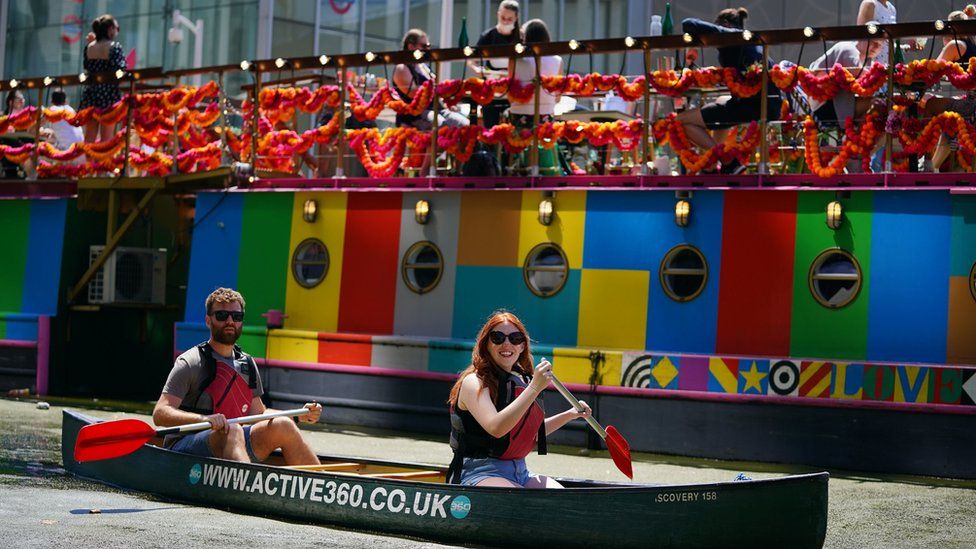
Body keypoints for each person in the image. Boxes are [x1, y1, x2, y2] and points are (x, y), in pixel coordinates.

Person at [153, 288, 323, 465]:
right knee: (233, 429)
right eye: (221, 315)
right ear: (208, 321)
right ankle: (247, 488)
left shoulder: (247, 364)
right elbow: (160, 413)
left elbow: (259, 413)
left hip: (234, 441)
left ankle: (323, 487)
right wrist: (204, 420)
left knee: (284, 425)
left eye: (236, 317)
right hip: (185, 446)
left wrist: (297, 415)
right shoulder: (190, 362)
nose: (230, 321)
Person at [446, 311, 592, 487]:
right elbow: (497, 428)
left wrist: (570, 414)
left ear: (522, 346)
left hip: (520, 471)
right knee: (520, 502)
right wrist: (534, 387)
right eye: (498, 337)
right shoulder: (473, 382)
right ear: (486, 345)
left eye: (515, 338)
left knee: (561, 499)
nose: (507, 343)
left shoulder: (520, 382)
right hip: (478, 473)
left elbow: (528, 433)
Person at [677, 8, 783, 174]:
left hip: (753, 107)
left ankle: (727, 161)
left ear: (725, 25)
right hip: (770, 104)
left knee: (680, 121)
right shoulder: (750, 42)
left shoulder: (730, 36)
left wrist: (697, 42)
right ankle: (712, 167)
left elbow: (688, 23)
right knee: (721, 100)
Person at [392, 29, 468, 173]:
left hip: (435, 109)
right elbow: (415, 93)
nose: (427, 50)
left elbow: (436, 90)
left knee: (464, 125)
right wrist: (439, 88)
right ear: (411, 46)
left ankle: (459, 171)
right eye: (424, 46)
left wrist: (448, 102)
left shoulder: (423, 67)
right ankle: (425, 171)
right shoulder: (402, 67)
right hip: (414, 114)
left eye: (428, 46)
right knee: (440, 125)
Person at [508, 19, 564, 175]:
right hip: (545, 119)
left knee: (505, 117)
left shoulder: (515, 59)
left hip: (520, 117)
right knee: (548, 125)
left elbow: (510, 96)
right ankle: (551, 169)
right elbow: (558, 97)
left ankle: (517, 166)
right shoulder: (557, 60)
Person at [808, 37, 885, 127]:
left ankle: (857, 136)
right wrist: (886, 74)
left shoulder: (867, 61)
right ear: (861, 38)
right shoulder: (848, 49)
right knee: (878, 104)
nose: (876, 47)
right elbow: (861, 75)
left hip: (835, 103)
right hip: (825, 105)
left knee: (879, 107)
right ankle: (856, 136)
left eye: (880, 45)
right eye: (874, 42)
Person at [469, 0, 520, 129]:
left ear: (516, 18)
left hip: (515, 89)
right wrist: (477, 69)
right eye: (503, 18)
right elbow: (472, 59)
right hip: (492, 90)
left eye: (510, 19)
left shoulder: (520, 37)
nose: (506, 21)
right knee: (490, 126)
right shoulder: (488, 36)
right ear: (498, 15)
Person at [80, 14, 126, 143]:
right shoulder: (114, 46)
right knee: (107, 137)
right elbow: (121, 69)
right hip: (108, 94)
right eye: (117, 28)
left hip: (91, 93)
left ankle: (88, 163)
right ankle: (103, 163)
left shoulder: (89, 47)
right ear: (110, 28)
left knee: (89, 135)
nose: (117, 31)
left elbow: (87, 66)